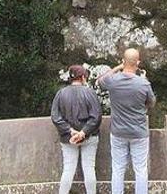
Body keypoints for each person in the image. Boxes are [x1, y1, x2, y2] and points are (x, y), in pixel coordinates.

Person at [98, 48, 155, 194]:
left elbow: (99, 81)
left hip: (118, 132)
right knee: (140, 170)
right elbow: (151, 103)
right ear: (138, 63)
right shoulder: (143, 84)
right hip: (139, 132)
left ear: (123, 61)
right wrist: (144, 79)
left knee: (117, 168)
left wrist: (118, 67)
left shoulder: (113, 81)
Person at [51, 65, 102, 194]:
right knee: (89, 168)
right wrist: (83, 132)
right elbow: (96, 116)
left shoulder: (61, 93)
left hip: (68, 137)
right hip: (89, 136)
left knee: (68, 169)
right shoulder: (89, 93)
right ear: (83, 77)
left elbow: (55, 117)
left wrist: (70, 131)